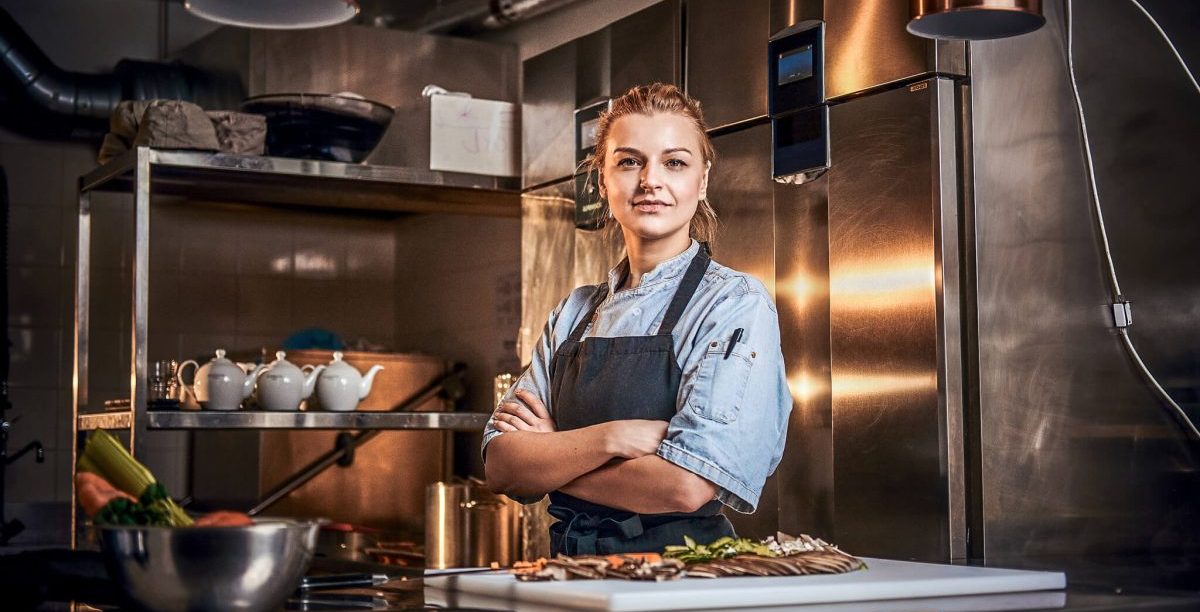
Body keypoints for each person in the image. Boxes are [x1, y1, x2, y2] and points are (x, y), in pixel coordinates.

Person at [482, 83, 790, 556]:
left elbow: (685, 487)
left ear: (701, 180)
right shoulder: (574, 313)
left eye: (675, 162)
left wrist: (556, 454)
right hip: (569, 578)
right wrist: (615, 437)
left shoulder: (733, 304)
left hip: (680, 580)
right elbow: (502, 466)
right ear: (602, 181)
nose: (650, 180)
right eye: (629, 161)